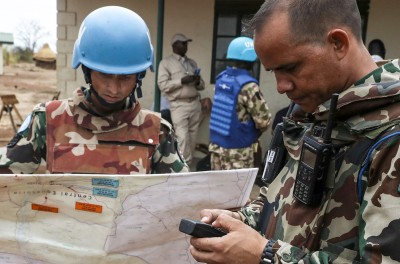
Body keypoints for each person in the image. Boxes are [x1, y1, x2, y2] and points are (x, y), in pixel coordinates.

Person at [188, 0, 400, 263]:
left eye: (290, 68)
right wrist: (242, 220)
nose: (280, 86)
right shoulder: (315, 111)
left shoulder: (391, 137)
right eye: (273, 71)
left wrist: (263, 255)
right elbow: (278, 198)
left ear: (337, 43)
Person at [0, 6, 188, 174]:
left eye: (125, 78)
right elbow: (6, 183)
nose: (114, 89)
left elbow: (183, 196)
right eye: (104, 75)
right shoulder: (46, 120)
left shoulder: (157, 131)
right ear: (87, 71)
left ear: (139, 77)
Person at [208, 36, 271, 170]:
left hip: (216, 149)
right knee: (237, 190)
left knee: (218, 189)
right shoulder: (248, 85)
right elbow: (264, 121)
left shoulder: (221, 79)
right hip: (238, 152)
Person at [157, 33, 205, 165]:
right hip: (179, 105)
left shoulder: (192, 63)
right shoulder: (166, 63)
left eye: (186, 43)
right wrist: (182, 81)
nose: (185, 46)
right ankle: (183, 168)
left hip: (194, 103)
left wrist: (196, 81)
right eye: (182, 43)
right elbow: (162, 85)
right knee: (182, 138)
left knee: (192, 138)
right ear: (174, 45)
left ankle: (186, 165)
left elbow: (202, 86)